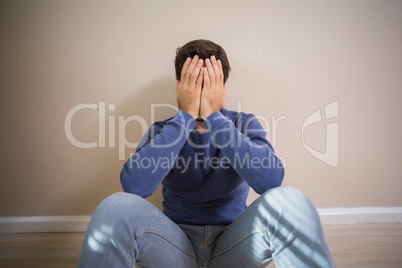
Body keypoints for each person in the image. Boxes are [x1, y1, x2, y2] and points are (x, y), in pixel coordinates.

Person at [78, 39, 335, 267]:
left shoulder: (243, 124)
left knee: (292, 201)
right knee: (115, 207)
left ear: (222, 89)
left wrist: (214, 117)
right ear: (180, 88)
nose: (201, 93)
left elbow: (270, 182)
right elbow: (134, 188)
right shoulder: (162, 130)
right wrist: (186, 117)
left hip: (235, 244)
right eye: (194, 85)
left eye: (209, 85)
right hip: (176, 249)